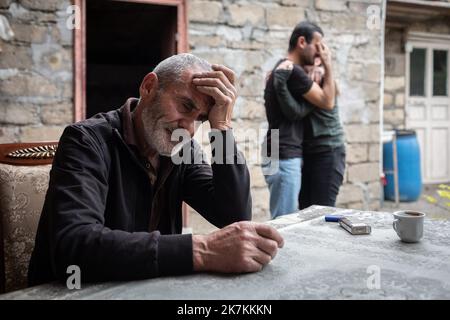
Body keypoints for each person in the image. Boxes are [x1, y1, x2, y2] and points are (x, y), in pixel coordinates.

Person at [28, 53, 284, 286]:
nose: (190, 129)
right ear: (149, 87)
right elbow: (73, 246)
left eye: (200, 119)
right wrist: (202, 250)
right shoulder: (85, 140)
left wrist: (223, 128)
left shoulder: (181, 149)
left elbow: (234, 214)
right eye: (185, 106)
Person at [262, 21, 336, 219]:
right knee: (283, 223)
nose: (319, 53)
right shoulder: (292, 71)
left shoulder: (281, 67)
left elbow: (294, 112)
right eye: (317, 45)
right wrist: (327, 67)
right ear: (302, 42)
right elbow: (327, 101)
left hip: (275, 150)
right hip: (285, 155)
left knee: (282, 217)